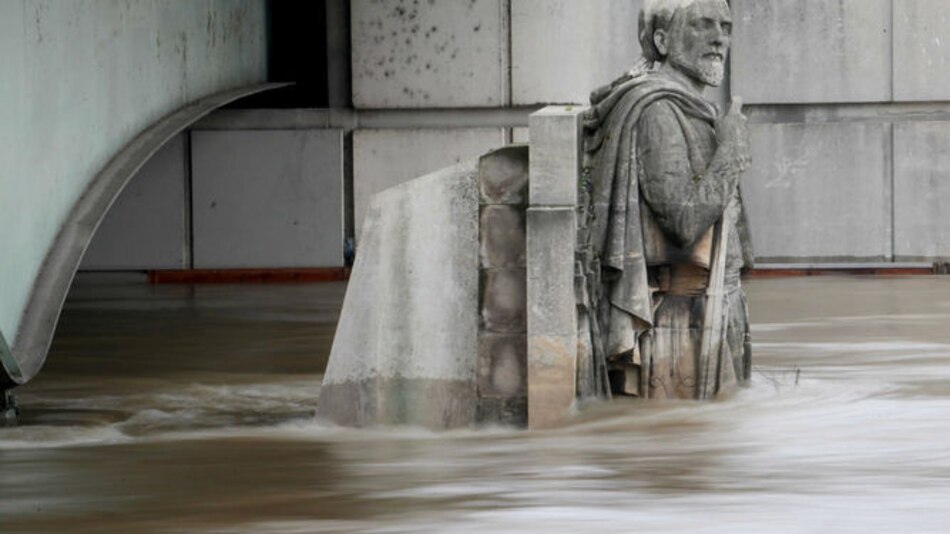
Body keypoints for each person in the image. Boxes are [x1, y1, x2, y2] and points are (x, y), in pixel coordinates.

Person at [577, 0, 754, 400]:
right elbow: (684, 221)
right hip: (680, 326)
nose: (718, 38)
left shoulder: (696, 109)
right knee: (688, 456)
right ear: (662, 40)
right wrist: (730, 154)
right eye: (702, 25)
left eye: (725, 27)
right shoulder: (658, 111)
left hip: (711, 312)